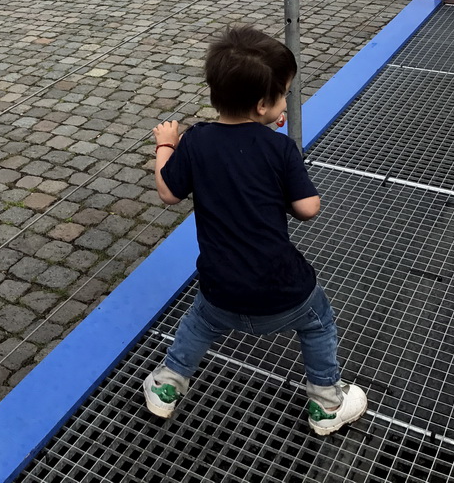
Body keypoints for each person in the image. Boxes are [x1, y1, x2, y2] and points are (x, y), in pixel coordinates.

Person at [143, 25, 367, 436]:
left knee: (198, 323)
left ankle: (166, 385)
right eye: (284, 94)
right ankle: (327, 404)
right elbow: (308, 208)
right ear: (265, 105)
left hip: (220, 287)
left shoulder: (196, 142)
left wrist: (166, 145)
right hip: (283, 289)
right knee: (318, 322)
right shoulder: (279, 148)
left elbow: (168, 193)